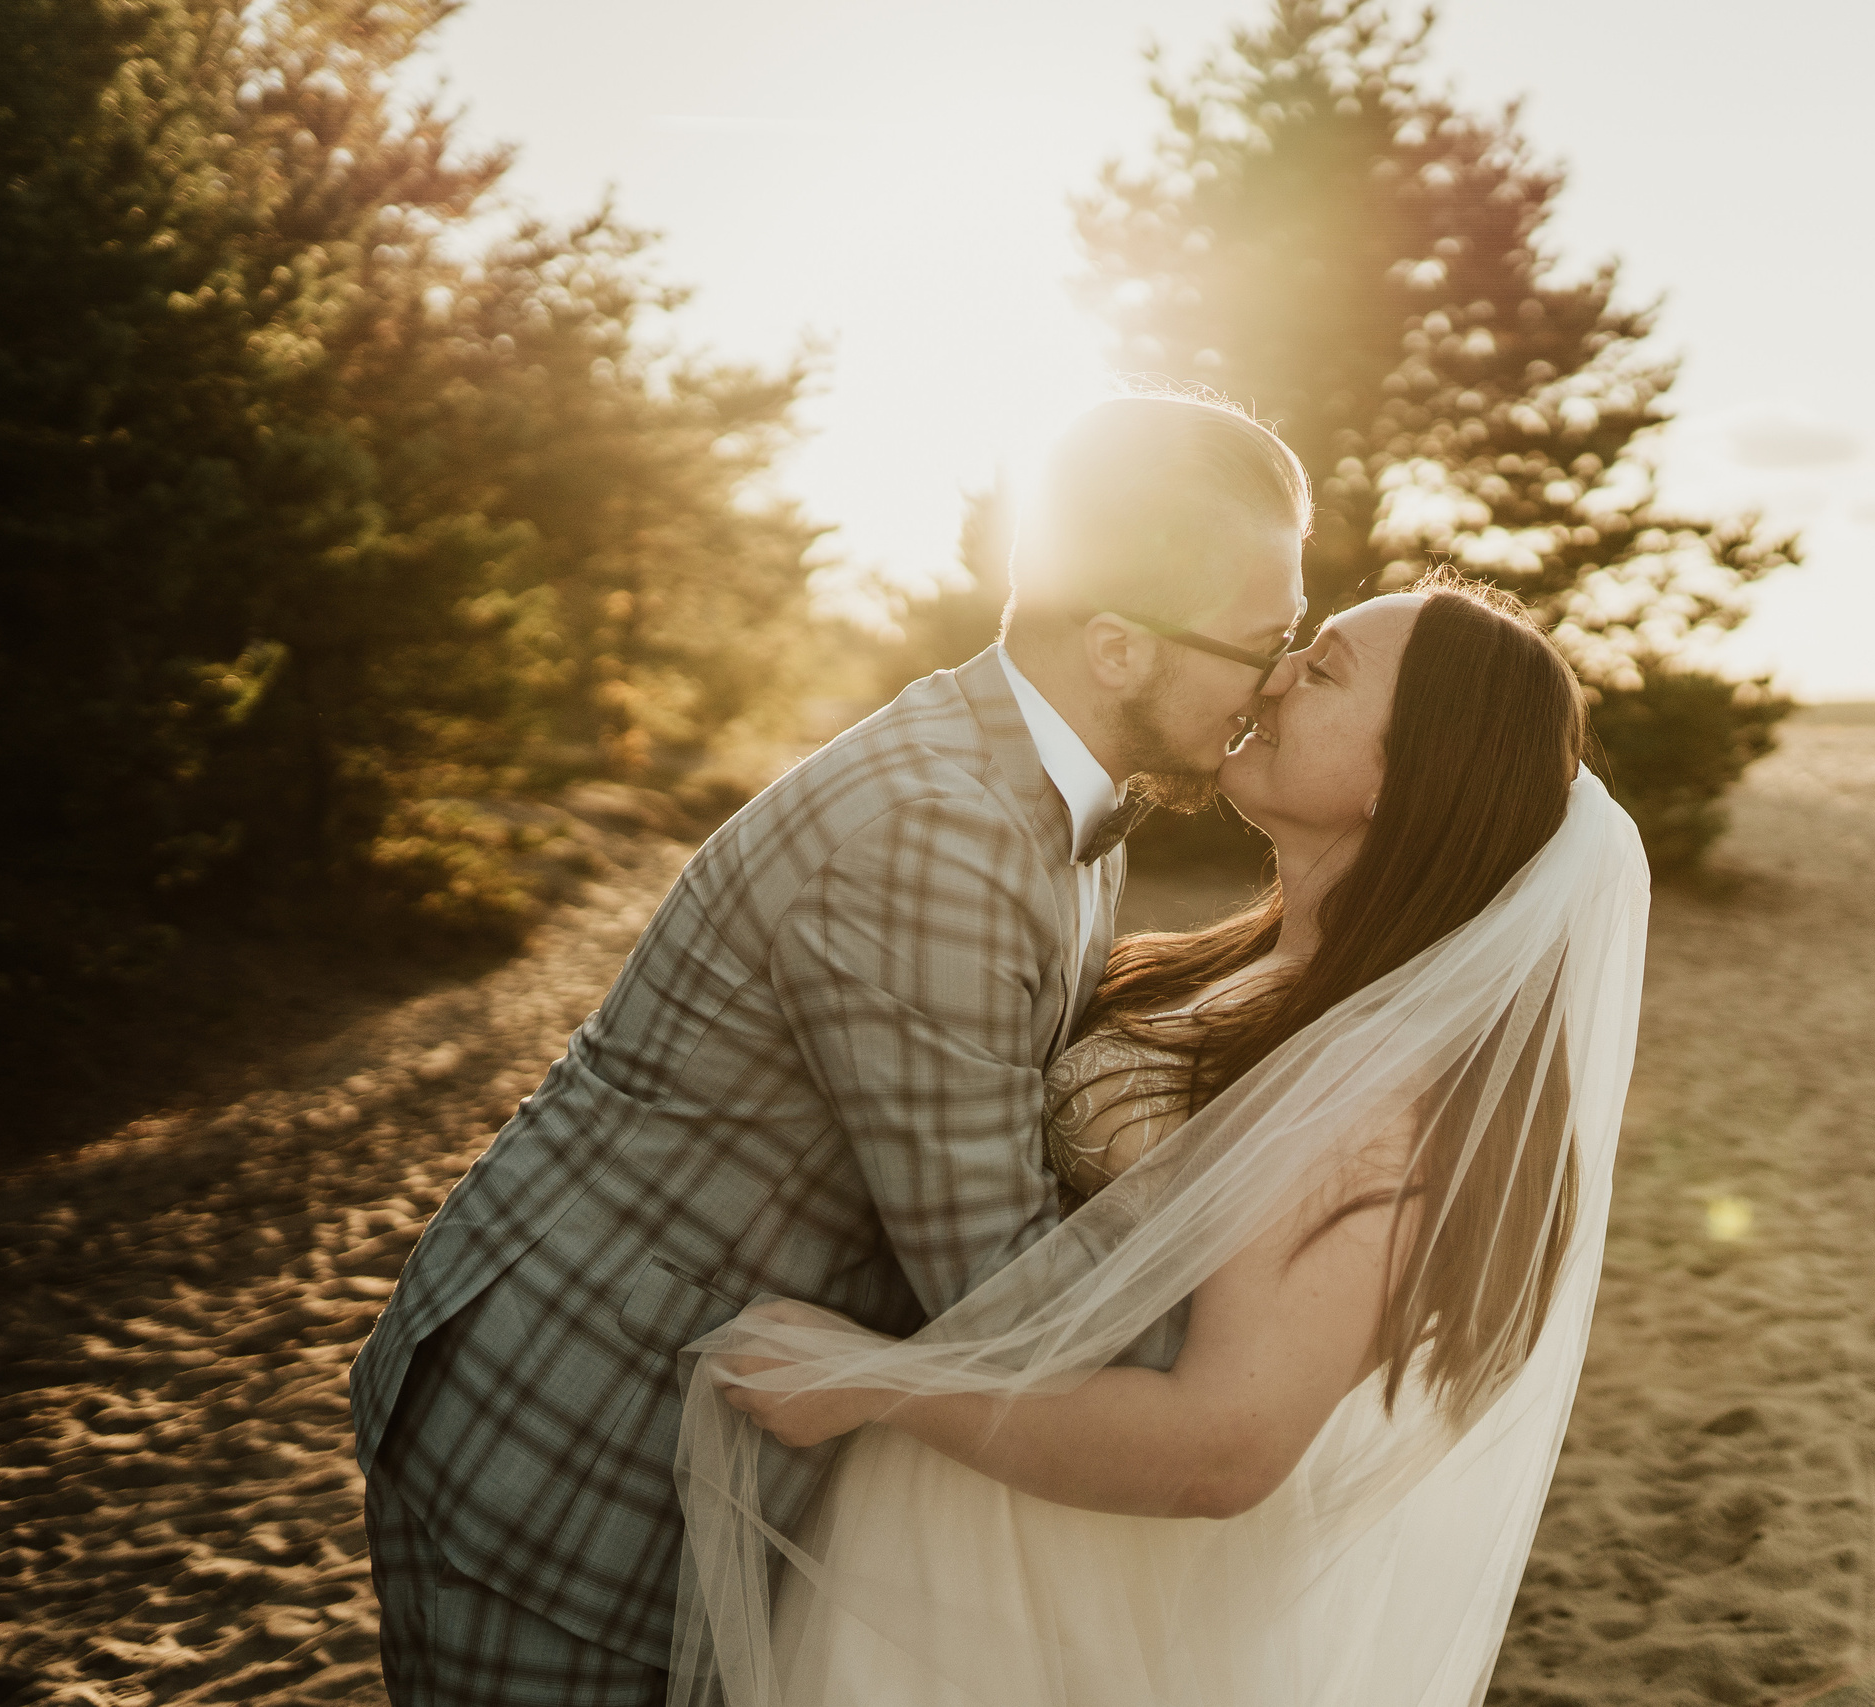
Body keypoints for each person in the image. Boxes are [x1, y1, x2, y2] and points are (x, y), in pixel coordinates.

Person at [347, 393, 1310, 1706]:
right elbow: (995, 1280)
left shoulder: (1069, 795)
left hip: (692, 1420)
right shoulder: (936, 832)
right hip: (570, 1445)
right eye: (1265, 644)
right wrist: (1259, 1383)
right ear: (1119, 647)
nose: (1278, 685)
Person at [675, 576, 1653, 1707]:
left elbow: (1223, 1449)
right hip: (975, 1529)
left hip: (1068, 1591)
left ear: (1402, 779)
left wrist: (876, 1387)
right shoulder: (1245, 968)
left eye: (1322, 669)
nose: (1272, 674)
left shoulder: (1380, 1091)